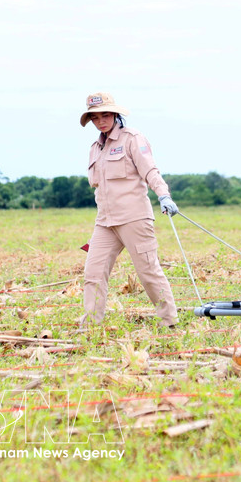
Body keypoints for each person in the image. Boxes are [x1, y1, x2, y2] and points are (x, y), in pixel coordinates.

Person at [79, 92, 179, 328]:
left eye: (105, 115)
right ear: (91, 121)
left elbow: (150, 170)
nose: (101, 121)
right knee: (93, 274)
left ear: (115, 114)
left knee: (148, 273)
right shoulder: (95, 147)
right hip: (104, 222)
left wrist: (163, 195)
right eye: (95, 117)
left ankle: (169, 322)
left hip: (134, 219)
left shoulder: (133, 139)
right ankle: (89, 327)